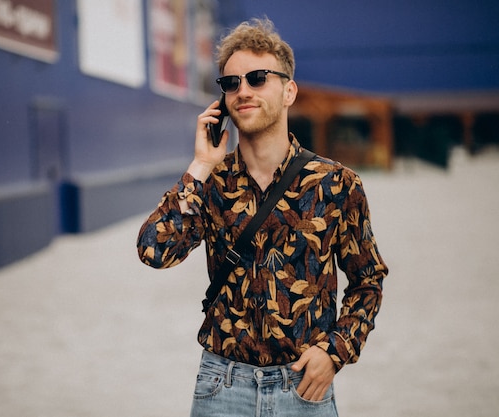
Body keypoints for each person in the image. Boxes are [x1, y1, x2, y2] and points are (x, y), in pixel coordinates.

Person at [137, 18, 388, 417]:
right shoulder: (211, 182)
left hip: (303, 386)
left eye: (257, 78)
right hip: (222, 386)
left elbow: (367, 280)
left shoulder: (336, 184)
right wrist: (201, 165)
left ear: (289, 91)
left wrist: (336, 352)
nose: (243, 92)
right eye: (231, 83)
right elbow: (154, 251)